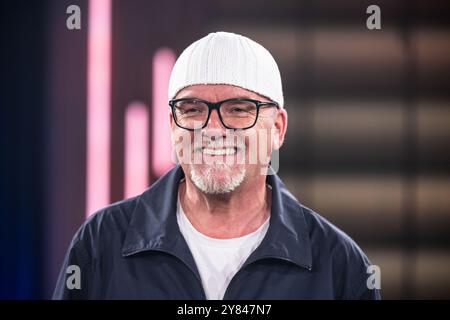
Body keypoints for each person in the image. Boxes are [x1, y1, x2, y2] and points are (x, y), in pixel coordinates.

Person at [54, 31, 381, 299]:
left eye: (239, 109)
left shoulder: (337, 263)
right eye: (193, 109)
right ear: (171, 125)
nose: (213, 128)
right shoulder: (101, 243)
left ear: (278, 129)